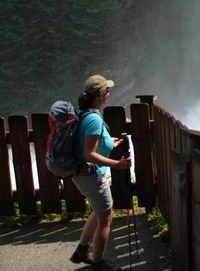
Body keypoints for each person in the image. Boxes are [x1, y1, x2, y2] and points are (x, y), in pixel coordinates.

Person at [69, 74, 132, 269]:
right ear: (99, 95)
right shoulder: (94, 120)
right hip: (91, 175)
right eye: (107, 91)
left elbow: (89, 145)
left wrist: (108, 143)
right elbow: (89, 154)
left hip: (80, 174)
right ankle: (98, 262)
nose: (109, 93)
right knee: (106, 217)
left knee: (98, 211)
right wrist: (117, 164)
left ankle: (82, 249)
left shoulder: (82, 114)